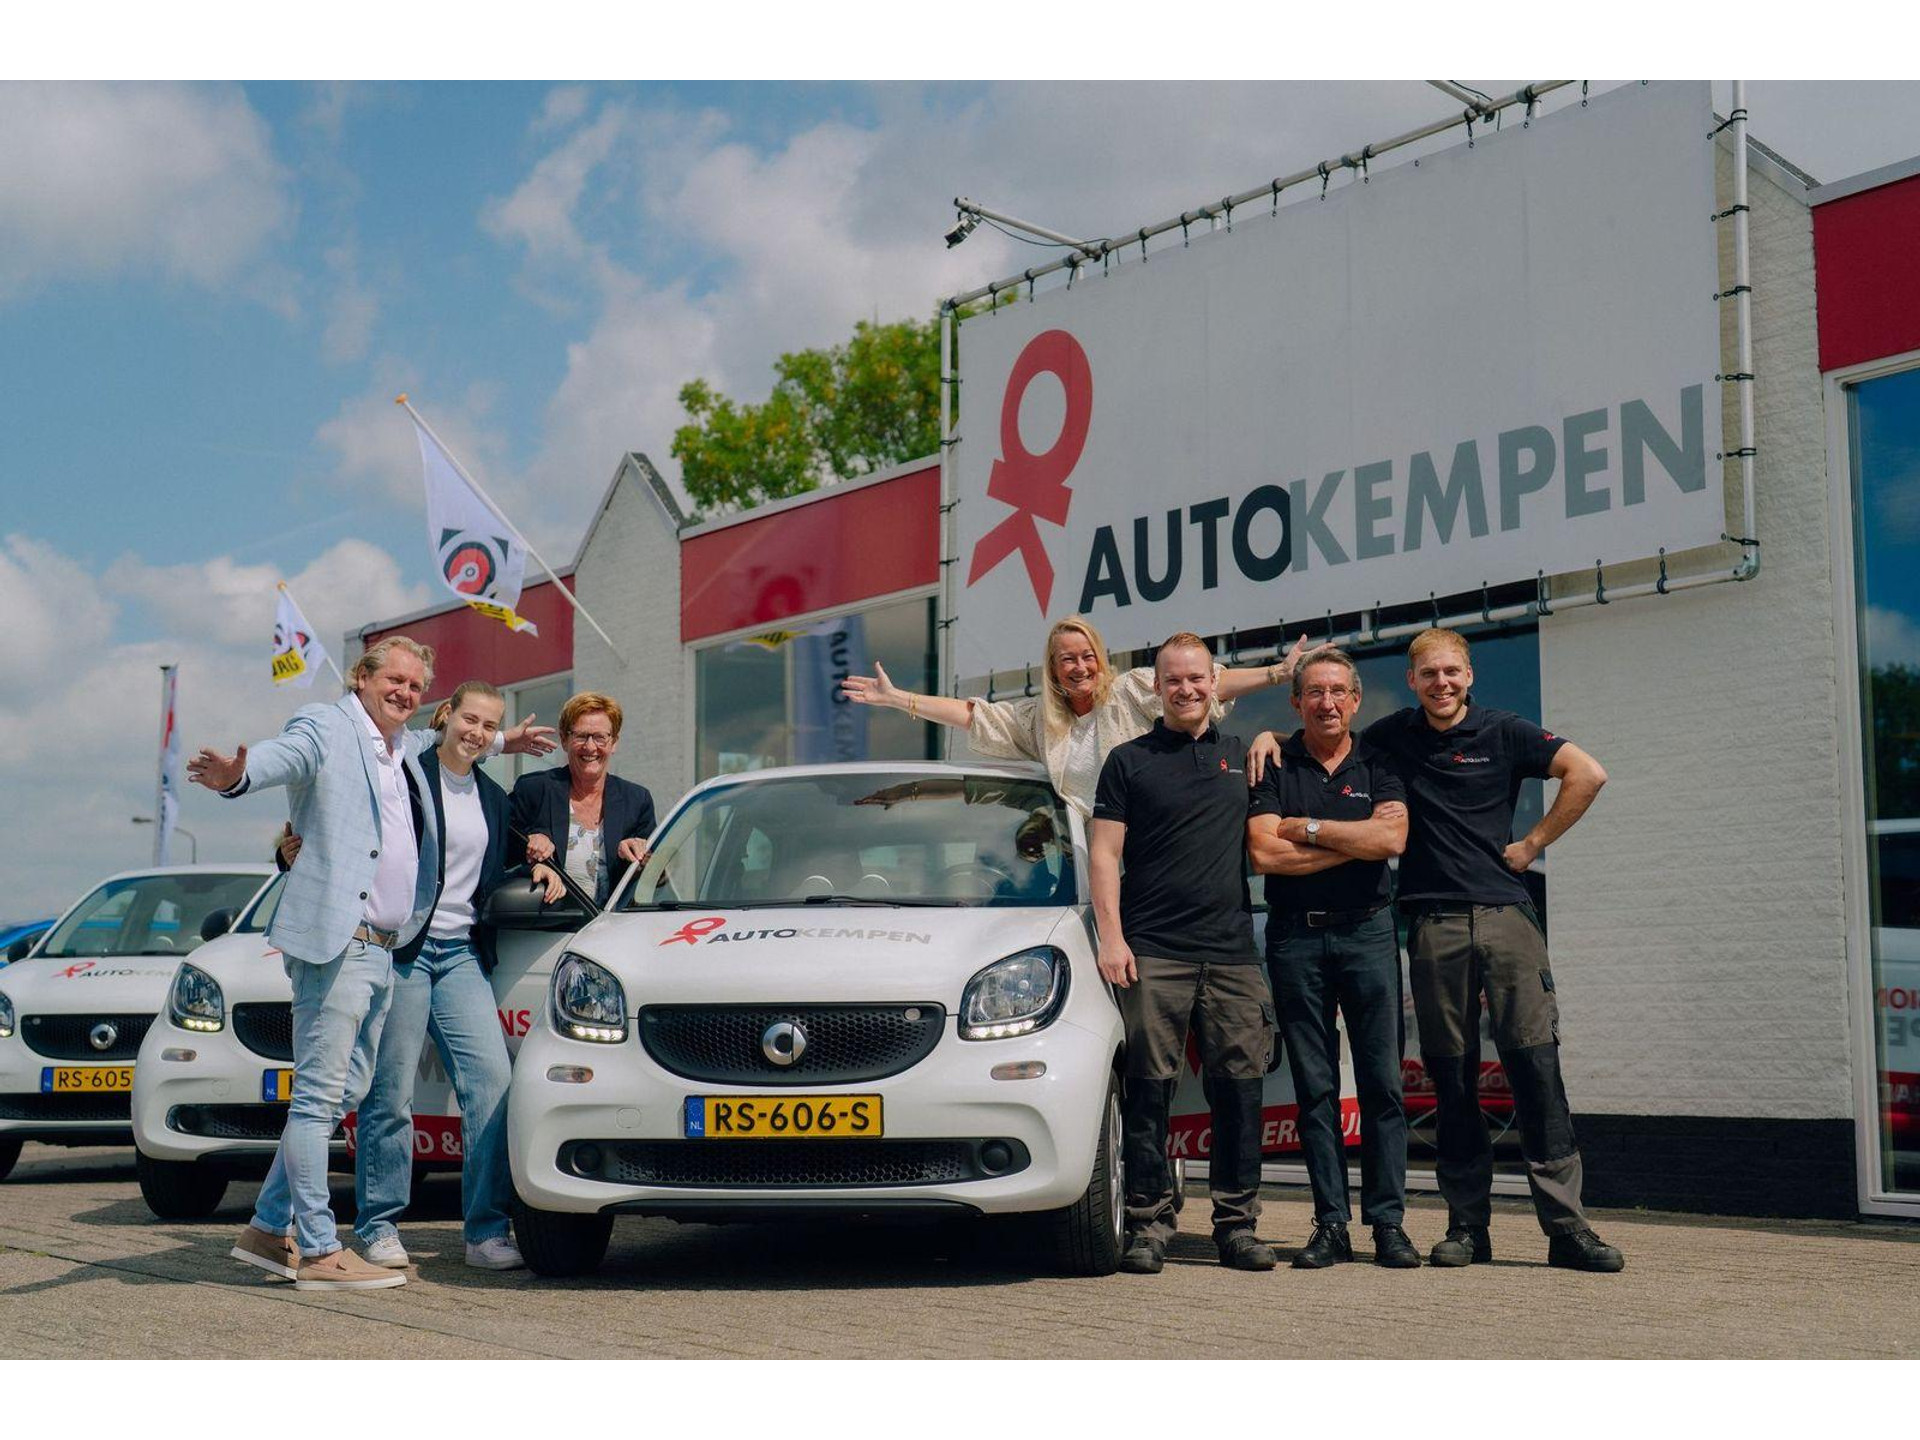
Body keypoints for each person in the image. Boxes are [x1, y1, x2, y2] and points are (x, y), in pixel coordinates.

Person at [1359, 627, 1623, 1272]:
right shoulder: (1392, 735)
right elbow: (1324, 747)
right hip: (1433, 924)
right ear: (1412, 680)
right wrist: (1266, 737)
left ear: (1469, 675)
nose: (1441, 683)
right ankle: (1467, 1228)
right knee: (1452, 1080)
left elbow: (1588, 773)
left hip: (1506, 918)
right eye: (1429, 674)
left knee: (1535, 1070)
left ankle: (1568, 1230)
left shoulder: (1504, 731)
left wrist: (1533, 843)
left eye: (1452, 672)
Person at [188, 637, 441, 1292]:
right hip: (339, 943)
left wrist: (500, 741)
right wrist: (238, 776)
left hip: (383, 947)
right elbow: (285, 755)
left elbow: (441, 746)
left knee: (344, 1093)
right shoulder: (327, 725)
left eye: (416, 686)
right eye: (394, 679)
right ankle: (322, 1249)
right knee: (317, 1098)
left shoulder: (400, 747)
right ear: (361, 678)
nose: (405, 693)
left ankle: (268, 1229)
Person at [288, 682, 526, 1273]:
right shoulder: (407, 774)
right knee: (389, 1092)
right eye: (469, 719)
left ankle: (486, 1231)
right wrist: (291, 849)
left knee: (493, 1083)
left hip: (461, 952)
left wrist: (540, 862)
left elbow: (501, 867)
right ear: (446, 715)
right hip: (403, 950)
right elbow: (348, 828)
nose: (477, 732)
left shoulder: (495, 798)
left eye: (489, 725)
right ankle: (378, 1226)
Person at [1090, 633, 1277, 1274]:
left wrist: (1274, 735)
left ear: (1214, 682)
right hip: (1154, 952)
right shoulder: (1127, 761)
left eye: (1198, 678)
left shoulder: (1242, 755)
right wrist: (1111, 937)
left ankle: (1237, 1226)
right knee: (1149, 1091)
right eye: (1174, 680)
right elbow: (1104, 854)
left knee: (1239, 1093)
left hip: (1232, 954)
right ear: (1156, 687)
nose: (1187, 689)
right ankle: (1148, 1224)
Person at [1246, 647, 1418, 1269]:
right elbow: (1263, 854)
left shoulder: (1380, 761)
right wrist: (1356, 841)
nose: (1327, 702)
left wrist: (1308, 828)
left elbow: (1392, 837)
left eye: (1338, 691)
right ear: (1296, 702)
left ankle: (1388, 1225)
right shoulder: (1273, 762)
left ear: (1356, 699)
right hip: (1295, 939)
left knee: (1383, 1085)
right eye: (1315, 692)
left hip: (1369, 933)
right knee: (1315, 1088)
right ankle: (1331, 1225)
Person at [842, 616, 1309, 817]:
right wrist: (899, 699)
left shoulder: (1128, 691)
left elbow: (1208, 684)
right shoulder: (1038, 720)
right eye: (1068, 659)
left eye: (1087, 656)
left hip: (1146, 841)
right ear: (1053, 668)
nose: (1080, 666)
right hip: (1084, 858)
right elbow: (972, 714)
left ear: (1100, 659)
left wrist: (1277, 673)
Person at [512, 692, 655, 906]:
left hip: (615, 925)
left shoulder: (636, 800)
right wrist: (530, 857)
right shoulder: (534, 790)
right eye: (580, 736)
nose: (590, 747)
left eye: (600, 737)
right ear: (564, 740)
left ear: (614, 742)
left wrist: (644, 858)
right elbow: (499, 858)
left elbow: (659, 877)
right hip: (549, 923)